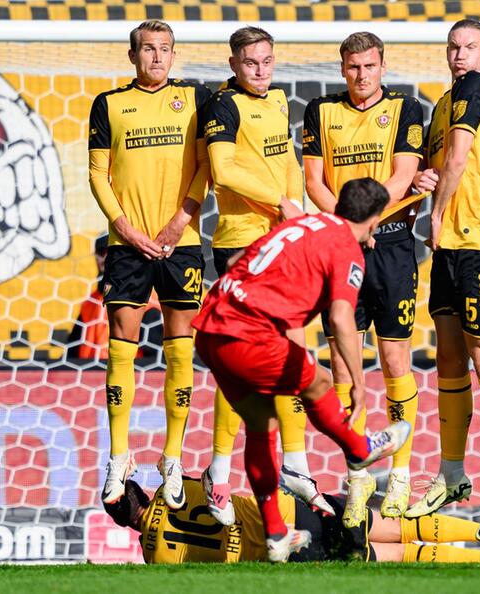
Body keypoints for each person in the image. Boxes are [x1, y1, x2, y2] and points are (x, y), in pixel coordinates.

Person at [192, 178, 411, 562]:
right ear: (374, 221)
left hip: (212, 329)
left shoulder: (302, 223)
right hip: (251, 334)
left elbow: (231, 262)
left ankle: (276, 534)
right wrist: (360, 384)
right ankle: (360, 449)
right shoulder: (347, 249)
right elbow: (342, 319)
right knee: (321, 381)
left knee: (262, 424)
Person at [200, 26, 331, 526]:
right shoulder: (222, 105)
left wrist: (296, 215)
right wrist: (281, 203)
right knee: (241, 363)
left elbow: (289, 167)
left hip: (282, 239)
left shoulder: (277, 99)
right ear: (234, 64)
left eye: (267, 61)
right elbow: (223, 170)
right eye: (251, 63)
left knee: (290, 351)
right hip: (242, 239)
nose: (260, 70)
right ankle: (218, 470)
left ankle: (294, 463)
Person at [408, 19, 480, 541]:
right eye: (454, 48)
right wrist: (424, 179)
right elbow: (443, 163)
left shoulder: (478, 88)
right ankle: (452, 473)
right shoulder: (442, 104)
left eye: (470, 48)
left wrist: (434, 213)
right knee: (450, 355)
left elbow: (460, 156)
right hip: (452, 247)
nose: (460, 56)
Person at [302, 31, 427, 524]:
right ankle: (357, 475)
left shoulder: (405, 108)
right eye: (353, 67)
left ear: (382, 67)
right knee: (345, 364)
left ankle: (398, 475)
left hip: (392, 242)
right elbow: (314, 181)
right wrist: (350, 228)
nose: (361, 75)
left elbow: (403, 174)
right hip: (342, 243)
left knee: (396, 359)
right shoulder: (320, 111)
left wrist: (368, 221)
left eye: (369, 67)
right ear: (342, 68)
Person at [88, 19, 212, 511]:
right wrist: (129, 229)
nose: (156, 57)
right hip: (127, 244)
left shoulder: (196, 100)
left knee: (181, 348)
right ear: (132, 55)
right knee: (122, 344)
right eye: (147, 49)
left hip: (181, 241)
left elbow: (208, 164)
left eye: (164, 49)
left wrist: (181, 219)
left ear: (173, 54)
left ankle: (173, 457)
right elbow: (98, 173)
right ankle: (119, 456)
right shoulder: (110, 104)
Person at [103, 474, 480, 564]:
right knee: (392, 524)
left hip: (289, 553)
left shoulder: (155, 560)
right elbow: (213, 484)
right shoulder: (172, 489)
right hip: (287, 511)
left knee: (393, 555)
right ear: (138, 492)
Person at [67, 234, 110, 360]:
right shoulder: (89, 303)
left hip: (127, 375)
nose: (104, 258)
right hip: (88, 376)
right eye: (100, 253)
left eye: (110, 252)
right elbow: (72, 350)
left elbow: (154, 356)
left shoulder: (144, 302)